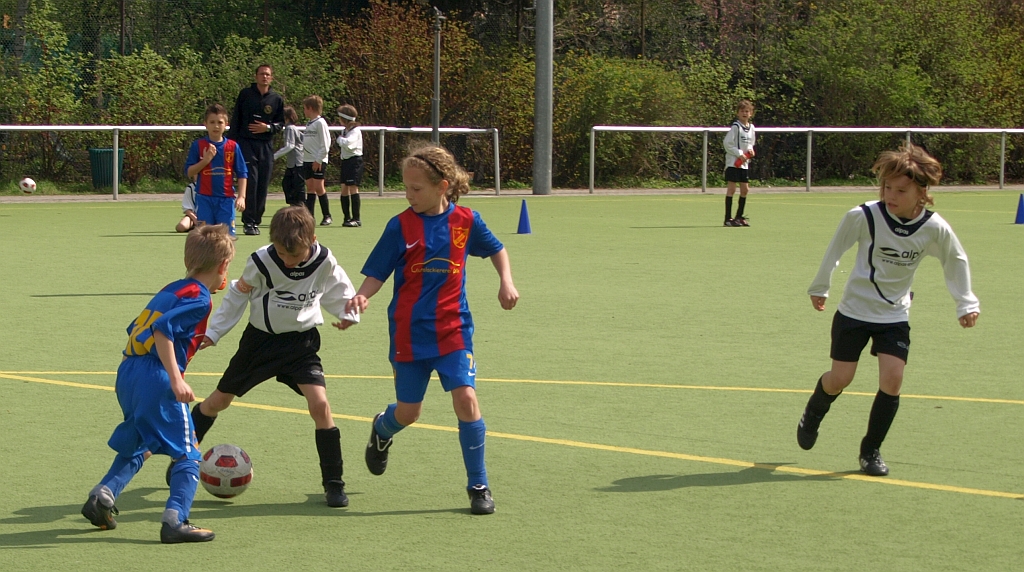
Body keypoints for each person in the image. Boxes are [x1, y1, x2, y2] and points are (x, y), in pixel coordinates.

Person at [346, 144, 519, 515]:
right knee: (409, 413)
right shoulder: (400, 225)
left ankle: (478, 485)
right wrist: (361, 296)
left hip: (454, 328)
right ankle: (382, 429)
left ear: (443, 187)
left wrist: (506, 281)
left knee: (466, 399)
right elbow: (377, 272)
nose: (408, 195)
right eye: (405, 188)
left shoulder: (467, 221)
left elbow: (497, 249)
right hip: (409, 332)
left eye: (416, 189)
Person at [797, 143, 980, 476]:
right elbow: (835, 249)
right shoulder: (864, 216)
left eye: (900, 190)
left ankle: (870, 451)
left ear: (921, 193)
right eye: (886, 187)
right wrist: (820, 286)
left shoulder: (934, 227)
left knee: (893, 380)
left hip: (894, 315)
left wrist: (965, 302)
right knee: (840, 379)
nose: (890, 195)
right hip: (854, 312)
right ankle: (814, 411)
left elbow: (955, 260)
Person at [178, 205, 360, 507]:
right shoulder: (262, 261)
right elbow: (238, 294)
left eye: (294, 255)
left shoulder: (324, 260)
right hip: (259, 344)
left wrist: (347, 313)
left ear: (313, 240)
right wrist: (214, 332)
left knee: (320, 405)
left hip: (301, 345)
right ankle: (182, 460)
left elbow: (335, 288)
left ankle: (334, 484)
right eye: (282, 253)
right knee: (217, 402)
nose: (287, 260)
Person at [81, 224, 234, 544]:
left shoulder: (173, 288)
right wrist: (175, 379)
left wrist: (191, 341)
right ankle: (175, 520)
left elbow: (139, 327)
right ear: (223, 266)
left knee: (141, 443)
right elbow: (162, 330)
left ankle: (102, 496)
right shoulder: (201, 298)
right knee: (189, 453)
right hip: (157, 377)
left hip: (129, 371)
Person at [230, 64, 285, 236]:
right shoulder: (246, 94)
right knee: (251, 181)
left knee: (263, 183)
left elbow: (281, 124)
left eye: (267, 74)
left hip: (265, 146)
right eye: (262, 74)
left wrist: (267, 128)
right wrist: (231, 145)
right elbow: (236, 119)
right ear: (256, 76)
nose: (264, 77)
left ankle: (256, 220)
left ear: (271, 77)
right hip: (246, 144)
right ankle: (248, 221)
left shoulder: (276, 99)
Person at [185, 104, 248, 238]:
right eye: (212, 122)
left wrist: (242, 196)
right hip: (204, 199)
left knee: (226, 237)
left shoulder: (232, 146)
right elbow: (189, 172)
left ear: (226, 124)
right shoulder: (198, 145)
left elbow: (242, 173)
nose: (216, 126)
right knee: (204, 237)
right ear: (205, 124)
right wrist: (205, 160)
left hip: (226, 200)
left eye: (220, 122)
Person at [300, 95, 334, 226]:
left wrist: (319, 160)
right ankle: (310, 217)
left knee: (319, 187)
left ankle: (327, 215)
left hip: (317, 160)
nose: (304, 111)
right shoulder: (309, 123)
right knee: (310, 187)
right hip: (307, 160)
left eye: (305, 108)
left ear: (310, 108)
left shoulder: (321, 123)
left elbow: (325, 143)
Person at [723, 99, 756, 227]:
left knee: (745, 190)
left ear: (751, 113)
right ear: (738, 113)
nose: (744, 113)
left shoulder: (751, 128)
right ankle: (728, 219)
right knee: (731, 189)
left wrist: (750, 151)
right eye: (742, 111)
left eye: (747, 111)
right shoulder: (735, 127)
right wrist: (739, 154)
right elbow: (727, 144)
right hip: (733, 163)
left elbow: (751, 143)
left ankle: (739, 217)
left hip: (744, 164)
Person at [335, 104, 364, 227]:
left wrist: (339, 140)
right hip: (346, 162)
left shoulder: (355, 131)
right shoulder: (345, 131)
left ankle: (356, 219)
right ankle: (347, 218)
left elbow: (348, 144)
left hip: (354, 161)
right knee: (344, 189)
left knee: (353, 188)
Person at [273, 106, 305, 206]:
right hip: (292, 163)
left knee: (297, 185)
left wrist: (274, 156)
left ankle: (300, 205)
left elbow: (290, 146)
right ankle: (294, 204)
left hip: (297, 162)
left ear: (286, 117)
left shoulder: (290, 128)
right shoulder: (291, 128)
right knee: (287, 183)